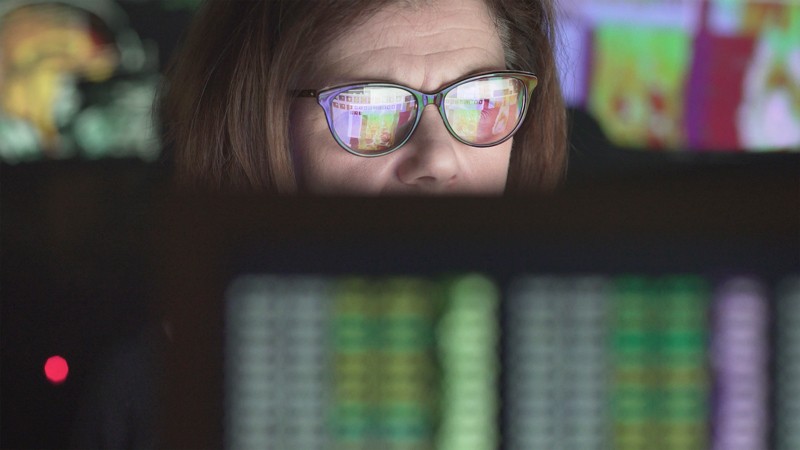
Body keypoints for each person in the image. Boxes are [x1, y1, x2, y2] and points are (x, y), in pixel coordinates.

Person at [160, 0, 566, 195]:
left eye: (482, 102)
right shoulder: (191, 355)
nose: (438, 161)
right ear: (251, 125)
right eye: (371, 110)